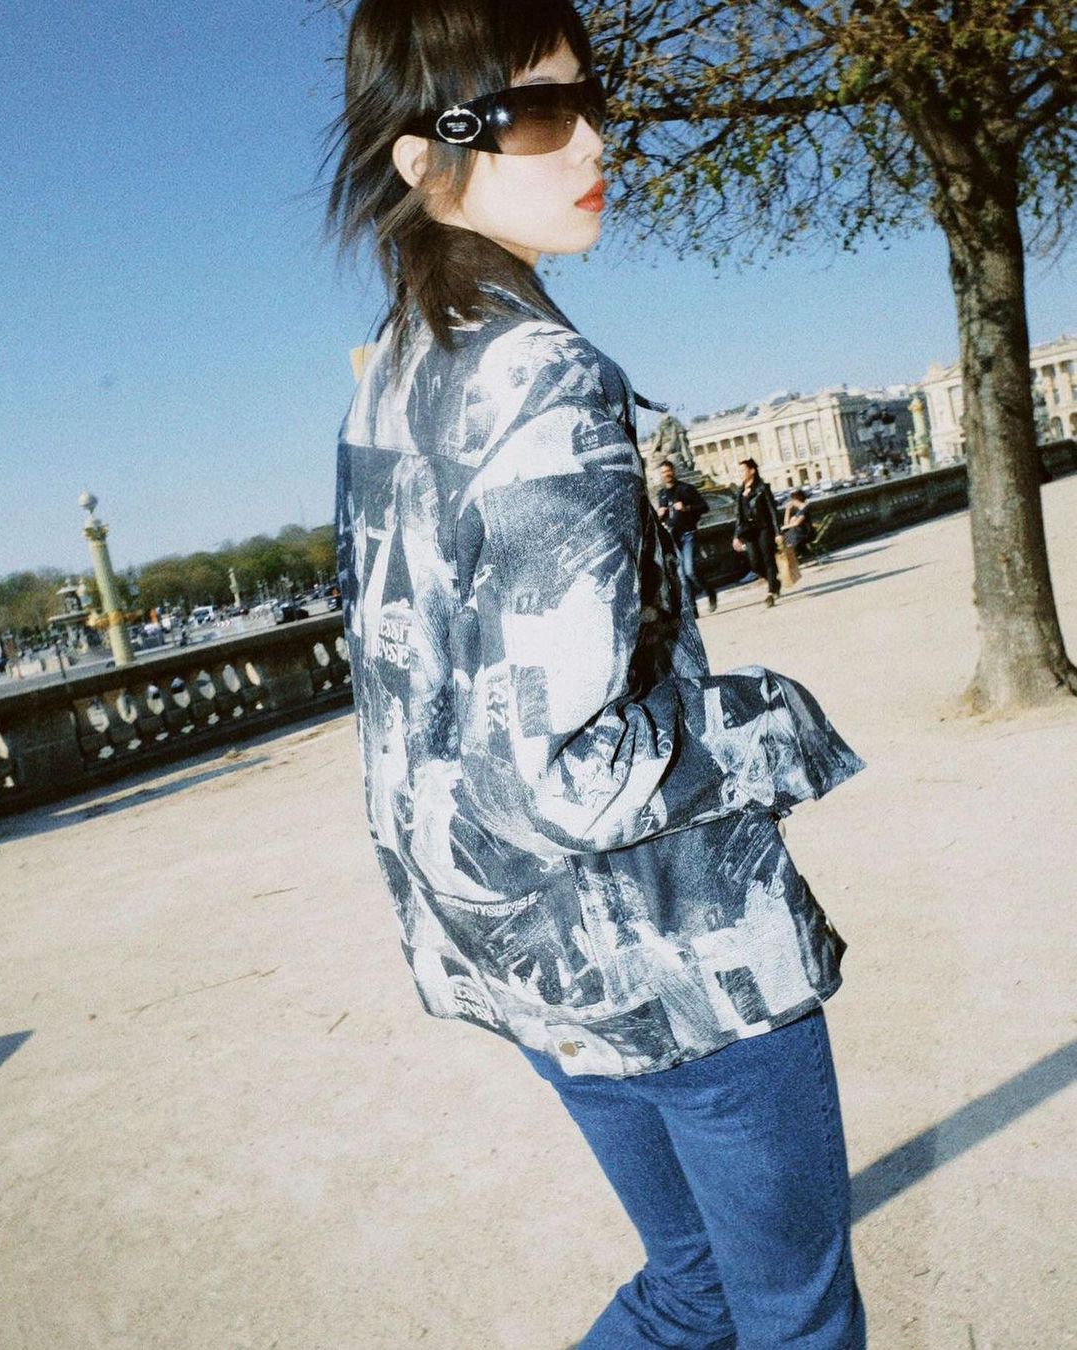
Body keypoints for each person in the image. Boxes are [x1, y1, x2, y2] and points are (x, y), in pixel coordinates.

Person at [328, 3, 866, 1346]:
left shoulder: (390, 381)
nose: (591, 141)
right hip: (675, 948)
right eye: (535, 112)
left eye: (592, 98)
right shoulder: (547, 377)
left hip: (525, 957)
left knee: (691, 1292)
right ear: (421, 158)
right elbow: (568, 770)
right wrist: (777, 723)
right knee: (794, 1316)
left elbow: (407, 707)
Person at [656, 459, 718, 615]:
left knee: (690, 571)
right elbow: (661, 519)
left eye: (668, 471)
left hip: (688, 534)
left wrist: (686, 508)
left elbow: (704, 507)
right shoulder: (661, 494)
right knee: (681, 576)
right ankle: (693, 610)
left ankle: (709, 591)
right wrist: (660, 515)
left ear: (673, 471)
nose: (666, 474)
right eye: (663, 472)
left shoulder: (685, 489)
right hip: (672, 537)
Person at [734, 456, 783, 607]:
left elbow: (772, 511)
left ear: (752, 471)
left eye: (743, 470)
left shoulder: (762, 488)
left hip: (763, 528)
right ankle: (774, 582)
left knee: (768, 559)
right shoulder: (740, 491)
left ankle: (770, 593)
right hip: (749, 531)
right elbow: (738, 515)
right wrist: (736, 536)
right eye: (739, 471)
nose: (740, 473)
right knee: (754, 563)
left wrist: (778, 532)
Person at [783, 488, 814, 568]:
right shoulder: (798, 510)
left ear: (796, 499)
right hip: (798, 534)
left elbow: (797, 523)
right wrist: (787, 510)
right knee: (787, 537)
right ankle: (801, 554)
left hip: (805, 534)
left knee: (788, 538)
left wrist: (784, 527)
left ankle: (795, 557)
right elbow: (786, 523)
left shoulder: (805, 509)